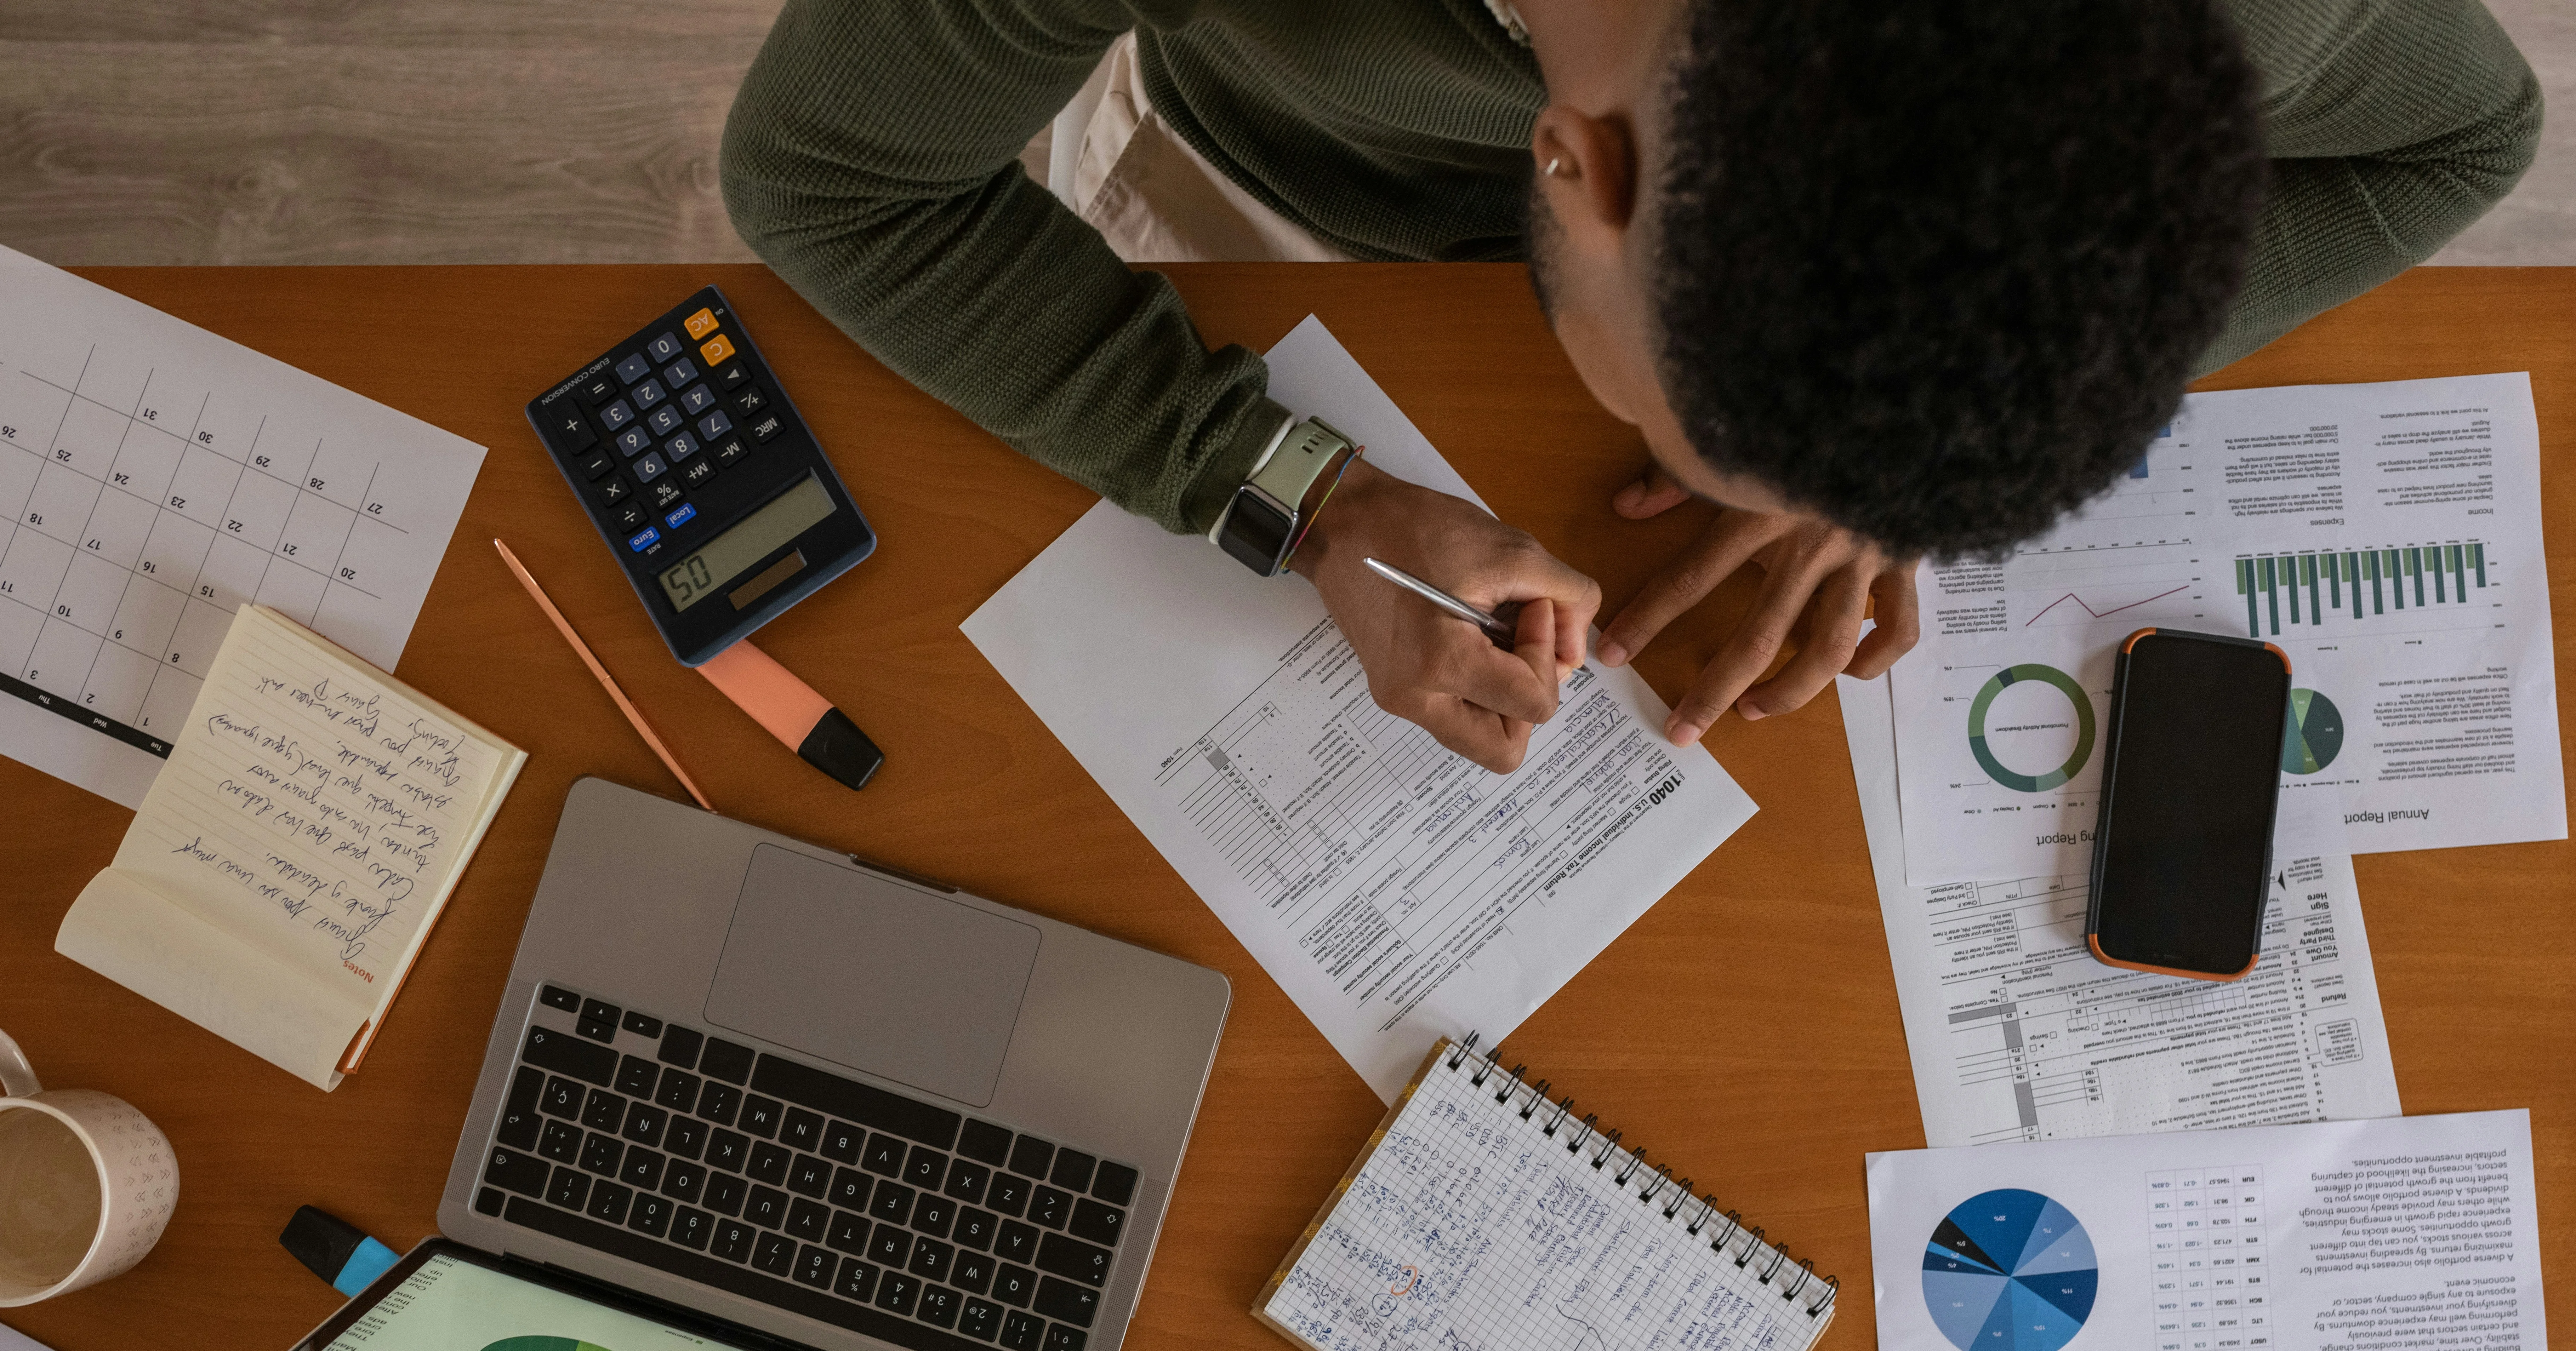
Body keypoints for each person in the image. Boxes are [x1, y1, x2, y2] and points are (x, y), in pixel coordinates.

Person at [721, 0, 2539, 771]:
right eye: (1679, 430)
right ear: (1569, 172)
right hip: (1272, 169)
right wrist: (1286, 482)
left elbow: (2459, 133)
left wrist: (1863, 438)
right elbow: (829, 178)